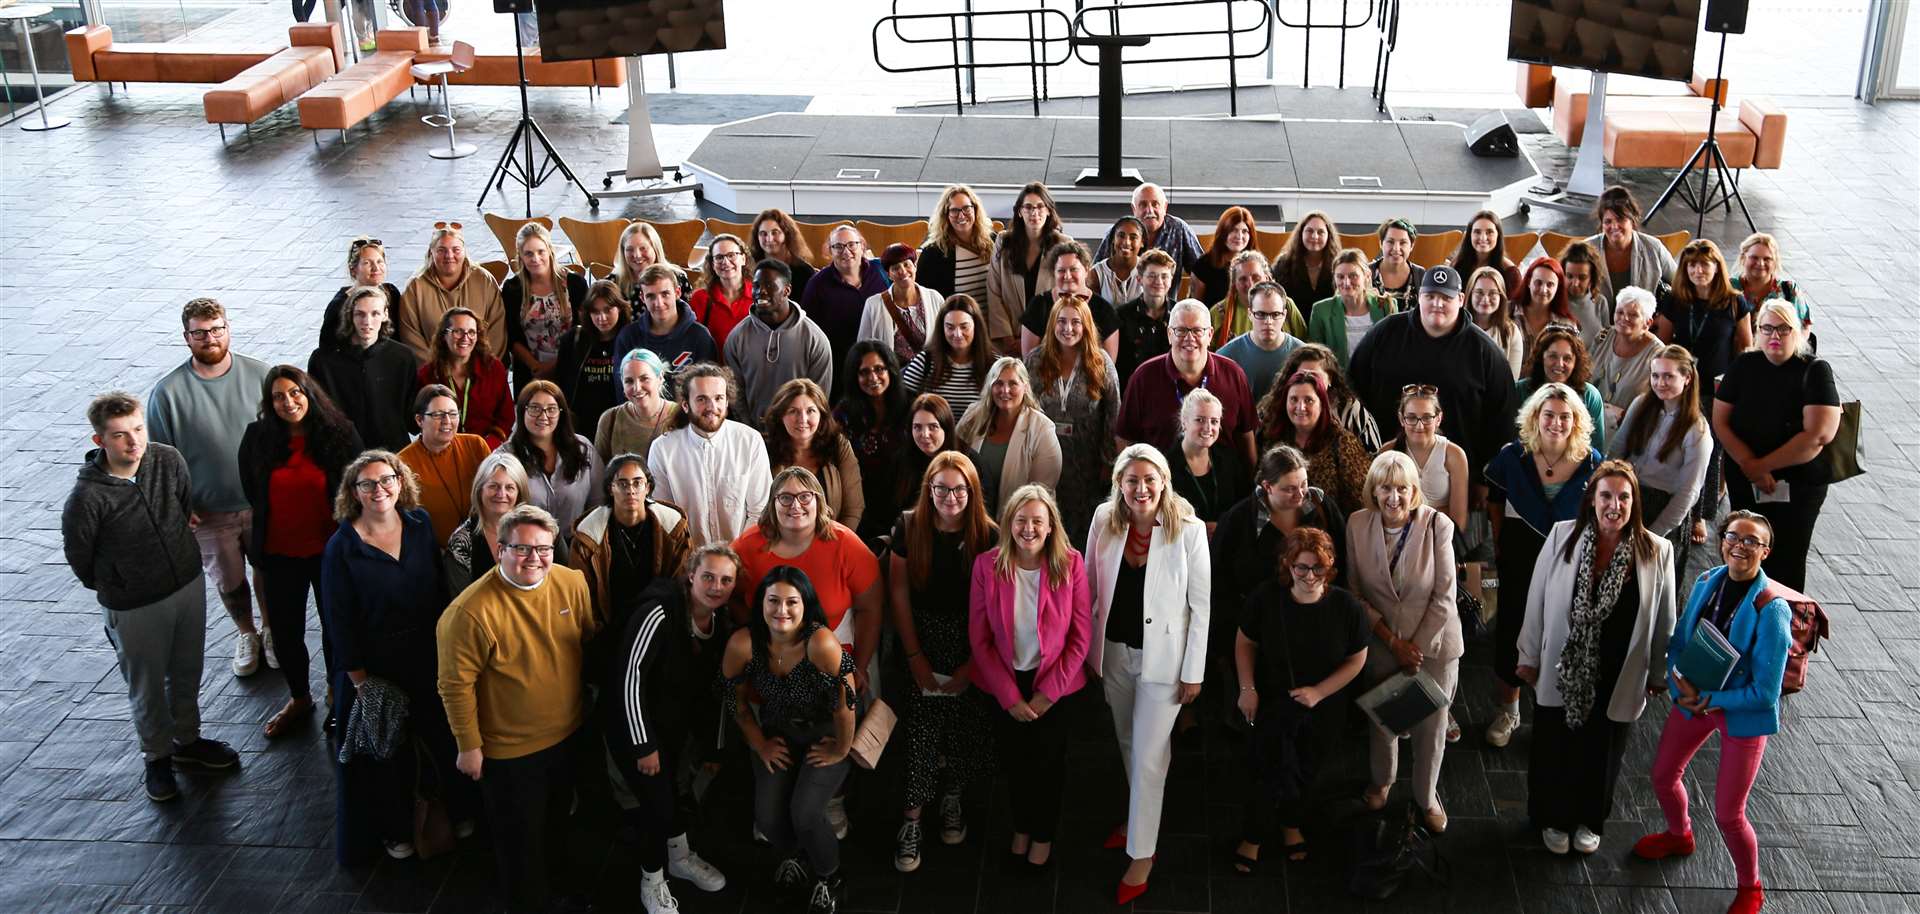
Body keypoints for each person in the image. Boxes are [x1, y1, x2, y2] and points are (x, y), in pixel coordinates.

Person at [62, 392, 239, 802]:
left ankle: (187, 741)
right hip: (134, 604)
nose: (133, 442)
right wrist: (122, 582)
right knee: (146, 686)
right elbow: (81, 559)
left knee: (187, 669)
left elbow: (181, 507)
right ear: (99, 441)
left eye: (138, 430)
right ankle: (157, 757)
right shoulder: (87, 499)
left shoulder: (167, 460)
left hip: (186, 584)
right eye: (120, 435)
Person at [437, 505, 597, 914]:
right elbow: (455, 685)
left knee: (559, 825)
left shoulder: (572, 583)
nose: (534, 558)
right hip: (508, 751)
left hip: (568, 733)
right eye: (522, 549)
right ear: (499, 549)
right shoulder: (467, 613)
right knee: (519, 843)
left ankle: (560, 891)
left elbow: (585, 640)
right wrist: (468, 745)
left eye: (543, 549)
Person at [1632, 511, 1791, 914]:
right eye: (1733, 535)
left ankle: (1750, 886)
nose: (1739, 544)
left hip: (1738, 710)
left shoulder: (1773, 610)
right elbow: (1680, 642)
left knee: (1728, 814)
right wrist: (1675, 683)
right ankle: (1679, 834)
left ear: (1765, 551)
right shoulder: (1707, 581)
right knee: (1663, 776)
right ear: (1722, 541)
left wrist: (1709, 701)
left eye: (1751, 540)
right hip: (1697, 697)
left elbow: (1765, 693)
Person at [1517, 460, 1676, 856]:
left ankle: (1590, 819)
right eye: (1606, 495)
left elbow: (1665, 619)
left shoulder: (1657, 551)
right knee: (1556, 743)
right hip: (1563, 665)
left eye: (1624, 497)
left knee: (1602, 750)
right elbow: (1535, 600)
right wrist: (1528, 654)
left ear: (1634, 503)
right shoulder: (1561, 537)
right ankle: (1551, 816)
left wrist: (1659, 672)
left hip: (1620, 670)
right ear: (1592, 499)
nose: (1615, 505)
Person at [321, 450, 468, 863]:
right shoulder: (342, 547)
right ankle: (395, 829)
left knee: (442, 739)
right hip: (375, 667)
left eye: (386, 480)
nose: (379, 489)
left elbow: (440, 590)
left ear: (400, 482)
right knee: (387, 754)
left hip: (426, 654)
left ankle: (451, 814)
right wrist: (359, 681)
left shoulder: (419, 525)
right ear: (354, 493)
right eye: (367, 484)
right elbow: (339, 620)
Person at [1086, 444, 1210, 905]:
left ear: (1163, 481)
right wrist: (1088, 652)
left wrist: (1193, 671)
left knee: (1150, 756)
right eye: (1131, 480)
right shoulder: (1104, 519)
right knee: (1126, 742)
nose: (1141, 489)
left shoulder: (1190, 530)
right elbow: (1088, 585)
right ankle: (1141, 815)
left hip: (1165, 662)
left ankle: (1142, 854)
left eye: (1149, 479)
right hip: (1114, 654)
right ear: (1119, 483)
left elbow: (1201, 607)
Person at [597, 545, 739, 912]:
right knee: (655, 803)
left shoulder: (721, 625)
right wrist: (643, 744)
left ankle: (679, 857)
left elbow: (717, 693)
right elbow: (629, 678)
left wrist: (714, 749)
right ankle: (652, 881)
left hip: (671, 724)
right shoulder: (659, 611)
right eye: (708, 576)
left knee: (672, 796)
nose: (716, 586)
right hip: (632, 721)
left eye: (726, 580)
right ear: (691, 575)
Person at [967, 482, 1091, 872]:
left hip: (1055, 684)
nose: (1029, 529)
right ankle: (1021, 827)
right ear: (1008, 523)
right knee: (1015, 763)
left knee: (1048, 766)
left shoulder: (1070, 563)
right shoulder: (987, 565)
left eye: (1038, 521)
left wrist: (1048, 695)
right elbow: (979, 637)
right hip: (1005, 684)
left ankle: (1043, 834)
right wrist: (1010, 697)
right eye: (1021, 520)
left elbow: (1080, 635)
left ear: (1051, 525)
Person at [147, 297, 273, 677]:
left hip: (261, 503)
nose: (210, 338)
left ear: (228, 329)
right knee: (230, 579)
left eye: (216, 329)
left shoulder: (261, 376)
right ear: (186, 338)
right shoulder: (167, 394)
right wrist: (180, 506)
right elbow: (163, 461)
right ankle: (246, 632)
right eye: (200, 333)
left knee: (267, 568)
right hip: (209, 511)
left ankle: (270, 630)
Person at [888, 452, 1002, 873]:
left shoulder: (988, 535)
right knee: (920, 731)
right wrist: (915, 655)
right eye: (941, 488)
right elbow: (898, 593)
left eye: (959, 489)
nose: (950, 497)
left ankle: (952, 797)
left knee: (964, 727)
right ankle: (912, 819)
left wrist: (974, 663)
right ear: (928, 490)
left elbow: (995, 607)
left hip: (971, 641)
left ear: (972, 493)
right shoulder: (908, 526)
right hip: (920, 636)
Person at [719, 567, 857, 914]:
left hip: (827, 729)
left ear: (805, 605)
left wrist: (841, 748)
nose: (782, 610)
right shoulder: (743, 643)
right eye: (774, 601)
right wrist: (758, 743)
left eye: (792, 602)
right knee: (766, 818)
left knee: (805, 812)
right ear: (761, 605)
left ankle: (829, 877)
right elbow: (733, 702)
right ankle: (796, 856)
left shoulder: (821, 642)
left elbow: (848, 703)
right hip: (777, 730)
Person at [237, 365, 364, 738]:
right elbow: (250, 488)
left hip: (329, 553)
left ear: (310, 395)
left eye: (295, 393)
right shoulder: (257, 437)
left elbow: (356, 491)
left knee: (334, 628)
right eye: (278, 396)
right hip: (279, 554)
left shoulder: (341, 434)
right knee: (287, 632)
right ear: (268, 402)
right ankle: (299, 697)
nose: (288, 402)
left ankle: (334, 693)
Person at [1231, 527, 1368, 869]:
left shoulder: (1347, 607)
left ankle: (1292, 825)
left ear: (1330, 567)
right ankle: (1255, 834)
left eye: (1317, 569)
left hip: (1324, 705)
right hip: (1273, 700)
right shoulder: (1266, 598)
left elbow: (1357, 658)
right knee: (1265, 769)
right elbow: (1244, 642)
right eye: (1301, 568)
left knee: (1307, 770)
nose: (1309, 576)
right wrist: (1247, 688)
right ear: (1287, 566)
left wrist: (1319, 692)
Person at [1483, 383, 1603, 749]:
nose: (1556, 423)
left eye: (1565, 416)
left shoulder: (1593, 462)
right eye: (1548, 414)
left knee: (1561, 633)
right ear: (1535, 417)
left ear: (1577, 420)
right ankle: (1508, 710)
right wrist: (1502, 546)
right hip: (1519, 557)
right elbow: (1495, 503)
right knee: (1512, 630)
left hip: (1568, 561)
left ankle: (1551, 713)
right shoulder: (1512, 456)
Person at [1347, 450, 1461, 833]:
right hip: (1382, 644)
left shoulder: (1437, 526)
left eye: (1402, 489)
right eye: (1385, 488)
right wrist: (1392, 643)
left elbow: (1445, 596)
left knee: (1431, 727)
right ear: (1373, 491)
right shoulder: (1357, 524)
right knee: (1383, 720)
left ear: (1414, 491)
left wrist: (1416, 648)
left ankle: (1426, 797)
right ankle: (1382, 782)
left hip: (1434, 645)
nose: (1393, 498)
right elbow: (1355, 594)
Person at [1713, 301, 1840, 591]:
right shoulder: (1745, 364)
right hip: (1747, 480)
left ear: (1797, 332)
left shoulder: (1815, 370)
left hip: (1798, 487)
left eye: (1783, 329)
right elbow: (1721, 421)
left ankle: (1784, 625)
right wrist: (1750, 465)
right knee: (1743, 552)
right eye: (1767, 327)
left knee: (1787, 558)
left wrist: (1762, 467)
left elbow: (1819, 434)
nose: (1775, 335)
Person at [1348, 264, 1518, 477]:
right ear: (1419, 296)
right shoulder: (1386, 333)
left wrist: (1485, 479)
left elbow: (1503, 418)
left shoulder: (1485, 351)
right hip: (1387, 469)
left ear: (1461, 300)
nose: (1437, 304)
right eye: (1430, 296)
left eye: (1446, 298)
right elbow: (1353, 387)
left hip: (1457, 475)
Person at [1023, 296, 1121, 548]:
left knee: (1081, 532)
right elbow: (1023, 409)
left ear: (1086, 325)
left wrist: (1109, 461)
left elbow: (1113, 414)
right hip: (1042, 458)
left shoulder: (1101, 362)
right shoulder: (1035, 360)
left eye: (1075, 322)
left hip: (1087, 462)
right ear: (1052, 324)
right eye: (1062, 321)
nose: (1068, 328)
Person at [1608, 344, 1713, 577]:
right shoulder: (1641, 405)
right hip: (1628, 497)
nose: (1660, 383)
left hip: (1662, 512)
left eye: (1668, 376)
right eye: (1655, 375)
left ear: (1687, 378)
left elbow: (1688, 493)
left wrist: (1651, 535)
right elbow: (1617, 449)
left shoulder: (1697, 430)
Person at [1116, 299, 1258, 467]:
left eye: (1197, 330)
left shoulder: (1233, 374)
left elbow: (1246, 437)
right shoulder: (1143, 377)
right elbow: (1125, 438)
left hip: (1222, 487)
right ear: (1169, 335)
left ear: (1210, 335)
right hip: (1162, 488)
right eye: (1181, 330)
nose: (1189, 338)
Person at [648, 363, 772, 547]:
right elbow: (663, 515)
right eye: (702, 399)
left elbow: (760, 510)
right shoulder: (663, 449)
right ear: (685, 405)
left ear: (727, 402)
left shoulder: (750, 441)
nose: (712, 406)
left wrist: (733, 555)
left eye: (718, 398)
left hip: (742, 557)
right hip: (687, 561)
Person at [570, 454, 693, 630]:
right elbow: (582, 595)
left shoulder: (673, 528)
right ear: (610, 488)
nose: (630, 490)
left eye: (637, 482)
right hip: (609, 627)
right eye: (622, 483)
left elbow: (681, 583)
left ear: (648, 487)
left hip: (661, 623)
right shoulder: (588, 535)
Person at [307, 283, 418, 451]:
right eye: (360, 314)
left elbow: (411, 416)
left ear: (385, 315)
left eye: (375, 314)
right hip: (342, 451)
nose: (367, 322)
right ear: (350, 315)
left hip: (392, 451)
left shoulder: (402, 357)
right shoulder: (323, 361)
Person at [725, 259, 835, 428]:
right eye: (756, 285)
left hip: (799, 434)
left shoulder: (815, 339)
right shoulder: (737, 337)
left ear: (787, 290)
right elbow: (736, 394)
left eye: (769, 286)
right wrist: (750, 431)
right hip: (754, 434)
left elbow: (819, 397)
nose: (760, 291)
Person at [498, 381, 604, 542]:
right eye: (534, 408)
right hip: (525, 547)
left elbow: (599, 503)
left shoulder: (583, 448)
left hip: (577, 545)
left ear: (561, 413)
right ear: (521, 411)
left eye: (551, 409)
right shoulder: (505, 456)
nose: (543, 416)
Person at [956, 356, 1063, 514]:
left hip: (1018, 521)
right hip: (971, 516)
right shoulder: (973, 415)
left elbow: (1041, 492)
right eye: (998, 383)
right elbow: (954, 460)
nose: (1005, 390)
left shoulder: (1042, 428)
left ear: (1025, 387)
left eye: (1013, 383)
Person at [1654, 238, 1754, 406]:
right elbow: (1662, 343)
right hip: (1679, 385)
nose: (1698, 271)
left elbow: (1744, 349)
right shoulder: (1674, 299)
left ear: (1716, 267)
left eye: (1705, 265)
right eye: (1692, 265)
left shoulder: (1735, 302)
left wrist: (1738, 385)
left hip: (1717, 388)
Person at [1258, 370, 1370, 515]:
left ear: (1322, 404)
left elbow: (1362, 499)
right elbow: (1261, 489)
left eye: (1308, 400)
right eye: (1293, 399)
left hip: (1329, 529)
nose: (1300, 407)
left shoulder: (1342, 441)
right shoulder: (1273, 438)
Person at [763, 378, 865, 531]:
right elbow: (760, 512)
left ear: (821, 414)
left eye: (810, 411)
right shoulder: (764, 450)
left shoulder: (838, 445)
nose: (802, 419)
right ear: (780, 416)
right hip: (780, 543)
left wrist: (833, 546)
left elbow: (853, 509)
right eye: (793, 411)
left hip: (833, 540)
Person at [500, 222, 590, 395]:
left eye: (540, 251)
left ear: (549, 250)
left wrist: (554, 366)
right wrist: (537, 367)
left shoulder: (575, 284)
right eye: (528, 254)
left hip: (570, 368)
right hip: (531, 371)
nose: (535, 259)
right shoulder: (513, 288)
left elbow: (583, 332)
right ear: (521, 256)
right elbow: (512, 336)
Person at [397, 384, 492, 546]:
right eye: (438, 415)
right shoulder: (402, 463)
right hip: (434, 551)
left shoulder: (476, 445)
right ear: (419, 420)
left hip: (483, 541)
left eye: (453, 414)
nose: (447, 421)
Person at [396, 222, 507, 361]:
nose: (449, 255)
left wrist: (481, 368)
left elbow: (497, 329)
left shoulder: (484, 280)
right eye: (441, 250)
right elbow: (411, 337)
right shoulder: (415, 287)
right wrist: (437, 372)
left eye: (456, 250)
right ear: (431, 252)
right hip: (433, 373)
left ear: (465, 251)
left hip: (481, 370)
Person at [836, 342, 909, 543]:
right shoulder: (844, 414)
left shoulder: (911, 407)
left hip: (905, 507)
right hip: (860, 509)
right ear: (854, 376)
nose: (873, 378)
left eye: (879, 369)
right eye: (864, 372)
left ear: (891, 370)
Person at [987, 182, 1069, 353]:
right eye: (1028, 207)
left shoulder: (1064, 243)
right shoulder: (1003, 241)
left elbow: (1067, 295)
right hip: (1008, 341)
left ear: (1048, 211)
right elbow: (994, 291)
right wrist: (1009, 339)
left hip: (1049, 340)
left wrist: (1038, 339)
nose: (1034, 212)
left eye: (1040, 206)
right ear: (1019, 211)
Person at [416, 307, 514, 447]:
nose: (465, 338)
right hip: (441, 449)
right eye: (458, 331)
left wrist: (489, 446)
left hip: (487, 450)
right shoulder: (427, 374)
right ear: (444, 335)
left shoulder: (493, 368)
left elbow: (507, 417)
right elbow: (420, 420)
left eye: (472, 332)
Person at [1382, 385, 1469, 532]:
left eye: (1427, 417)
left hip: (1441, 536)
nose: (1419, 425)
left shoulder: (1454, 455)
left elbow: (1459, 520)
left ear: (1438, 419)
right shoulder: (1387, 452)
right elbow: (1381, 509)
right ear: (1401, 419)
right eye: (1411, 417)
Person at [613, 263, 719, 385]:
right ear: (642, 298)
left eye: (665, 294)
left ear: (677, 292)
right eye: (651, 296)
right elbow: (623, 388)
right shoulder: (628, 337)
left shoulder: (699, 336)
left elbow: (709, 386)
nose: (659, 303)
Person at [443, 451, 531, 595]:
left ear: (519, 492)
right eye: (493, 486)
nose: (501, 494)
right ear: (480, 489)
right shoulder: (461, 542)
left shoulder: (540, 529)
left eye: (509, 487)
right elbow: (461, 602)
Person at [802, 224, 888, 364]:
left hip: (881, 358)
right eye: (838, 246)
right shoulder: (817, 285)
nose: (846, 252)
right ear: (830, 251)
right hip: (838, 362)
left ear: (862, 246)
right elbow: (808, 331)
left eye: (852, 245)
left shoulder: (881, 272)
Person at [1278, 343, 1386, 452]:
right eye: (1302, 375)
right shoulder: (1280, 405)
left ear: (1330, 378)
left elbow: (1375, 457)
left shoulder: (1350, 411)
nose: (1308, 380)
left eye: (1315, 376)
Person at [549, 280, 628, 428]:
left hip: (620, 423)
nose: (602, 318)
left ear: (620, 309)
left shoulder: (631, 339)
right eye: (595, 312)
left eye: (608, 310)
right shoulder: (574, 339)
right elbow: (560, 381)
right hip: (580, 423)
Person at [1019, 240, 1118, 358]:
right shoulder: (1038, 305)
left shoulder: (1104, 310)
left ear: (1086, 270)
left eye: (1073, 269)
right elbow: (1029, 361)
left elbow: (1108, 366)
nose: (1067, 276)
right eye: (1061, 270)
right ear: (1053, 273)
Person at [1514, 326, 1608, 450]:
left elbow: (1595, 448)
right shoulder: (1520, 390)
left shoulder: (1590, 396)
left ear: (1576, 362)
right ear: (1542, 358)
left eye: (1567, 359)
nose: (1559, 364)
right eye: (1553, 356)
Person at [1092, 183, 1205, 286]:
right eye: (1143, 205)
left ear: (1165, 207)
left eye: (1155, 204)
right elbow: (1094, 275)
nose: (1150, 211)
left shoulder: (1179, 229)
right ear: (1134, 209)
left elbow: (1202, 273)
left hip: (1167, 306)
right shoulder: (1117, 233)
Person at [1169, 389, 1250, 532]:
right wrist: (1198, 530)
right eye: (1199, 420)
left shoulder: (1229, 459)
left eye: (1214, 421)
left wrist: (1223, 527)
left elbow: (1245, 505)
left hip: (1225, 542)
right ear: (1184, 422)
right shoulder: (1165, 465)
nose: (1208, 428)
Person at [899, 293, 991, 418]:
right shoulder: (924, 361)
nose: (957, 334)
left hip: (978, 437)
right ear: (941, 328)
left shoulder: (994, 365)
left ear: (976, 326)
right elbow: (900, 404)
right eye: (950, 327)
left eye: (964, 327)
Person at [1583, 185, 1677, 304]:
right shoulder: (1585, 250)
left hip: (1643, 322)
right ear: (1602, 224)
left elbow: (1681, 285)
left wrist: (1665, 316)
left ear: (1632, 220)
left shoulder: (1654, 248)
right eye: (1608, 221)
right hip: (1596, 322)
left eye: (1620, 219)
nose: (1614, 226)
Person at [857, 243, 944, 368]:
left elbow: (945, 339)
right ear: (889, 275)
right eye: (895, 268)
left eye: (906, 265)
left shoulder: (935, 298)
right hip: (892, 377)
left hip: (930, 374)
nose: (902, 271)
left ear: (915, 267)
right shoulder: (873, 304)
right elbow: (863, 348)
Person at [1590, 286, 1661, 438]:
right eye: (1620, 312)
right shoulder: (1603, 337)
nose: (1624, 318)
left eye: (1633, 315)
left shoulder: (1658, 355)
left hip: (1628, 435)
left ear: (1647, 322)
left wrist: (1625, 415)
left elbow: (1659, 406)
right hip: (1588, 427)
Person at [1305, 250, 1393, 371]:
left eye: (1353, 276)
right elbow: (1315, 359)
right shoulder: (1321, 311)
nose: (1346, 283)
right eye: (1340, 277)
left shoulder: (1386, 306)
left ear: (1367, 276)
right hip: (1338, 384)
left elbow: (1394, 352)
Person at [1218, 280, 1307, 399]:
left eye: (1275, 314)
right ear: (1250, 314)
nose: (1268, 322)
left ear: (1284, 315)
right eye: (1260, 314)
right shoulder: (1227, 356)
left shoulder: (1303, 355)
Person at [893, 393, 971, 519]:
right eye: (917, 427)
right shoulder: (900, 461)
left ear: (946, 428)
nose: (924, 434)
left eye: (933, 427)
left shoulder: (969, 460)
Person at [318, 236, 403, 351]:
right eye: (367, 263)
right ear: (353, 269)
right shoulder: (338, 306)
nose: (376, 268)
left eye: (380, 262)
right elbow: (326, 350)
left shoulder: (392, 293)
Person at [595, 348, 680, 464]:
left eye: (644, 379)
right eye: (629, 381)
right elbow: (600, 475)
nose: (637, 388)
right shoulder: (610, 419)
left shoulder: (680, 416)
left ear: (660, 378)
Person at [915, 184, 994, 302]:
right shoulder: (933, 253)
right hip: (954, 319)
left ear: (975, 210)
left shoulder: (994, 241)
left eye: (966, 208)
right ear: (946, 215)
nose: (961, 215)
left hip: (994, 319)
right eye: (954, 210)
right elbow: (925, 301)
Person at [1211, 250, 1305, 349]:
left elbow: (1304, 343)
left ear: (1267, 278)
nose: (1250, 284)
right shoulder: (1218, 312)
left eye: (1256, 277)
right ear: (1234, 283)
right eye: (1243, 279)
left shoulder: (1286, 304)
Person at [1730, 231, 1812, 338]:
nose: (1760, 263)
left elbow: (1804, 326)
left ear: (1775, 262)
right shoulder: (1728, 287)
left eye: (1767, 259)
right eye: (1754, 257)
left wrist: (1794, 350)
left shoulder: (1789, 290)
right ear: (1743, 258)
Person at [1114, 248, 1176, 384]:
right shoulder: (1121, 316)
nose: (1158, 281)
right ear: (1139, 279)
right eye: (1152, 276)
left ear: (1171, 280)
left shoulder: (1180, 315)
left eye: (1164, 276)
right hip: (1133, 386)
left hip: (1171, 386)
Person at [691, 232, 753, 352]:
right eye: (719, 257)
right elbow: (694, 341)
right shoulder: (700, 298)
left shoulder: (759, 295)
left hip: (751, 368)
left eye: (731, 255)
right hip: (715, 368)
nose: (725, 262)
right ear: (712, 264)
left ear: (743, 259)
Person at [1274, 210, 1341, 311]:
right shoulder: (1284, 263)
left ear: (1329, 235)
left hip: (1328, 325)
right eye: (1309, 231)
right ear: (1301, 233)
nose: (1315, 236)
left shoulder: (1339, 265)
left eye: (1320, 232)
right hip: (1292, 324)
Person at [1189, 205, 1257, 304]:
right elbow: (1196, 306)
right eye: (1234, 230)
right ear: (1223, 232)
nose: (1239, 236)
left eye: (1245, 231)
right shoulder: (1203, 265)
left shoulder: (1259, 265)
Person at [1465, 266, 1525, 375]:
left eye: (1492, 293)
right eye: (1479, 292)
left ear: (1501, 297)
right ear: (1470, 294)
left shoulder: (1511, 332)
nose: (1485, 299)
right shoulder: (1456, 326)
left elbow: (1511, 379)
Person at [615, 220, 694, 304]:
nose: (637, 255)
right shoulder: (614, 283)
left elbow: (690, 314)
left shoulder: (678, 278)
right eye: (629, 249)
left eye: (643, 248)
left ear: (655, 249)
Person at [1447, 209, 1522, 296]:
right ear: (1469, 235)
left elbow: (1512, 308)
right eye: (1477, 232)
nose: (1483, 238)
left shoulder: (1510, 273)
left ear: (1498, 235)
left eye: (1489, 232)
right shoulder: (1457, 264)